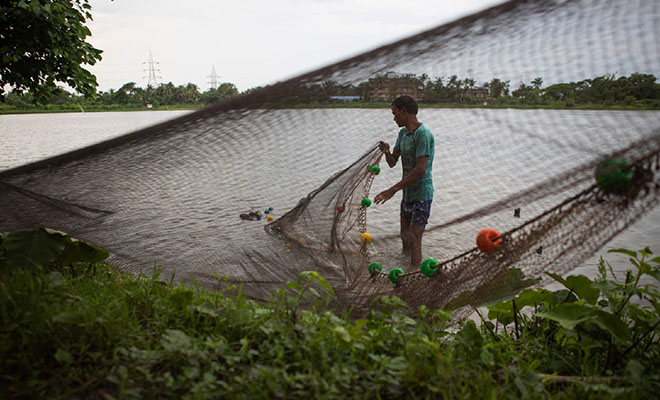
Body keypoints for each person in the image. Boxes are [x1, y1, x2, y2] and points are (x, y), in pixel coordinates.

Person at [374, 95, 435, 267]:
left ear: (404, 111)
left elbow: (420, 170)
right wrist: (386, 152)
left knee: (415, 238)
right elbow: (393, 162)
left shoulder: (423, 134)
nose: (394, 118)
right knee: (405, 238)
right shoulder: (403, 134)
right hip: (407, 195)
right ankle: (404, 268)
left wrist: (392, 189)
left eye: (395, 114)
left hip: (422, 194)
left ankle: (413, 277)